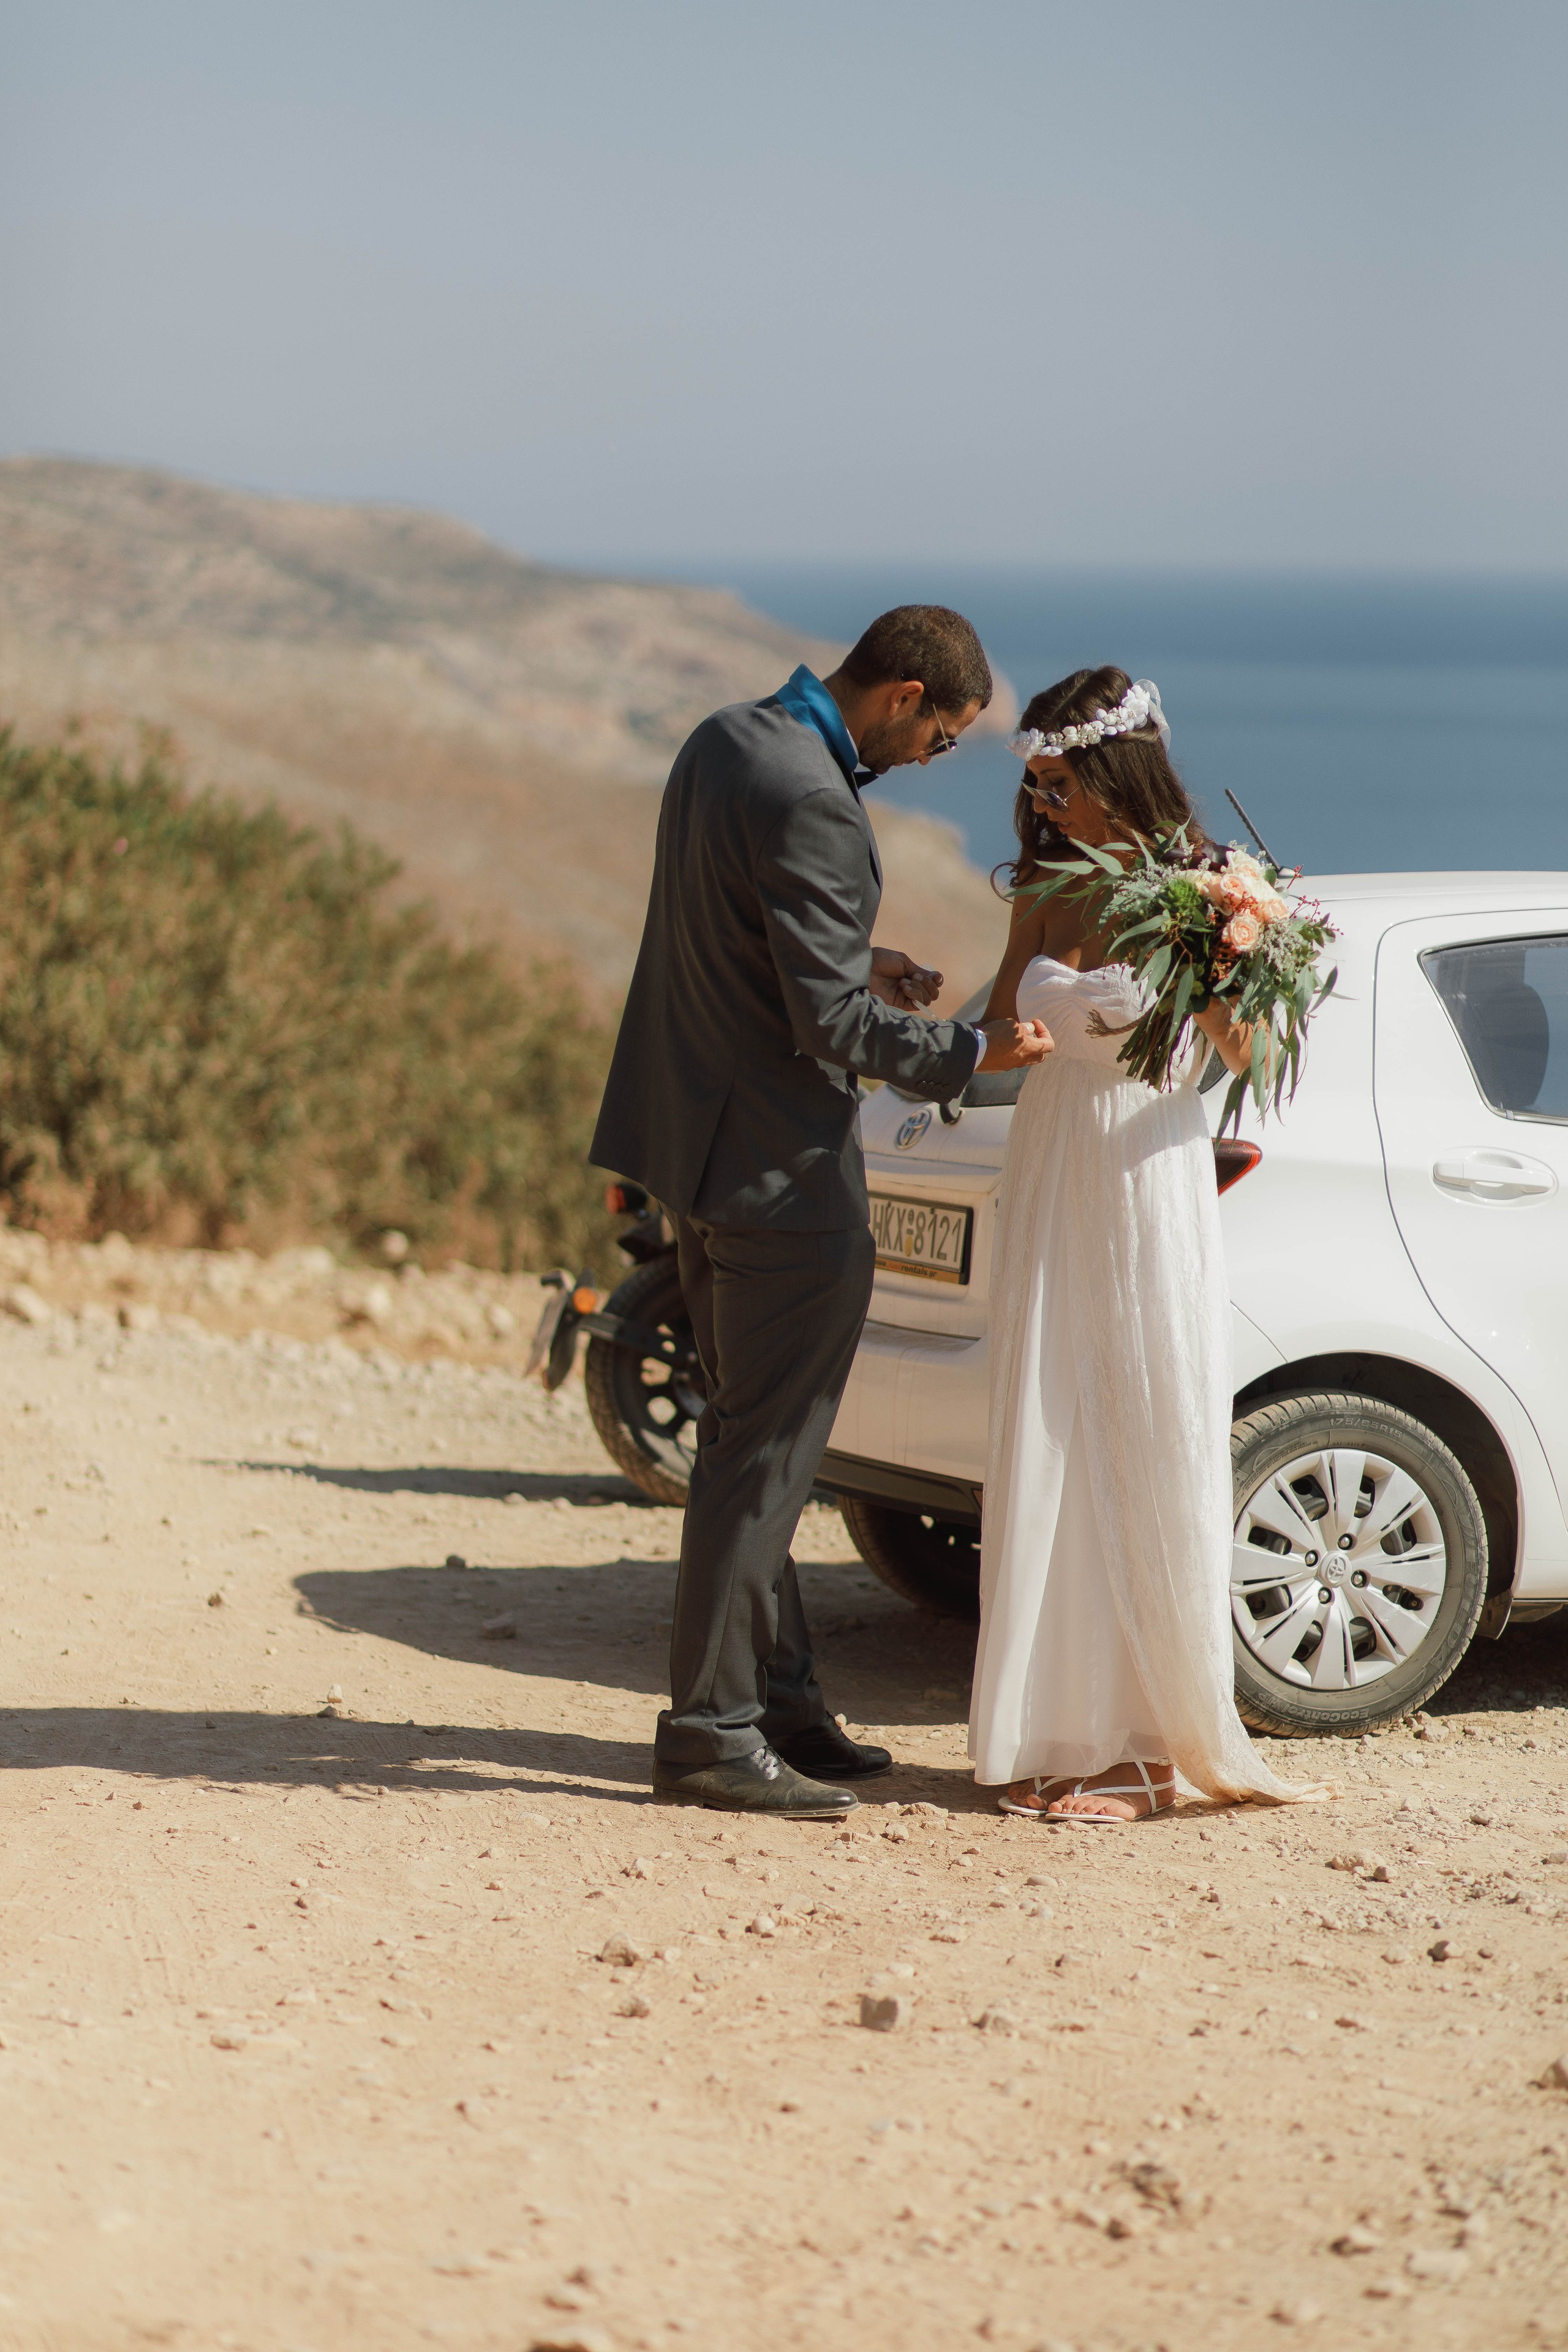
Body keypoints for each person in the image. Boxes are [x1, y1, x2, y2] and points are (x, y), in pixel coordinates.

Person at [592, 608, 1054, 1818]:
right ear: (902, 694)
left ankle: (780, 1703)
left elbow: (741, 932)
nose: (934, 758)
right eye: (943, 735)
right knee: (759, 1458)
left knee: (759, 1447)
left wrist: (862, 957)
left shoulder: (723, 741)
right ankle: (709, 1733)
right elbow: (829, 1033)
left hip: (690, 1154)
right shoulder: (813, 796)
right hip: (778, 1178)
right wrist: (973, 1049)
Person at [968, 668, 1318, 1822]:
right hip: (1055, 1163)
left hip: (1141, 1176)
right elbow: (992, 1031)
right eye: (1036, 786)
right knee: (1051, 1424)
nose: (1047, 805)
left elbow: (1247, 1057)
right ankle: (1051, 1725)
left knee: (1136, 1424)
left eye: (1061, 782)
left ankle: (1151, 1744)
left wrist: (1233, 949)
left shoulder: (1202, 891)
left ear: (1116, 770)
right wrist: (994, 1040)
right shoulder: (1045, 884)